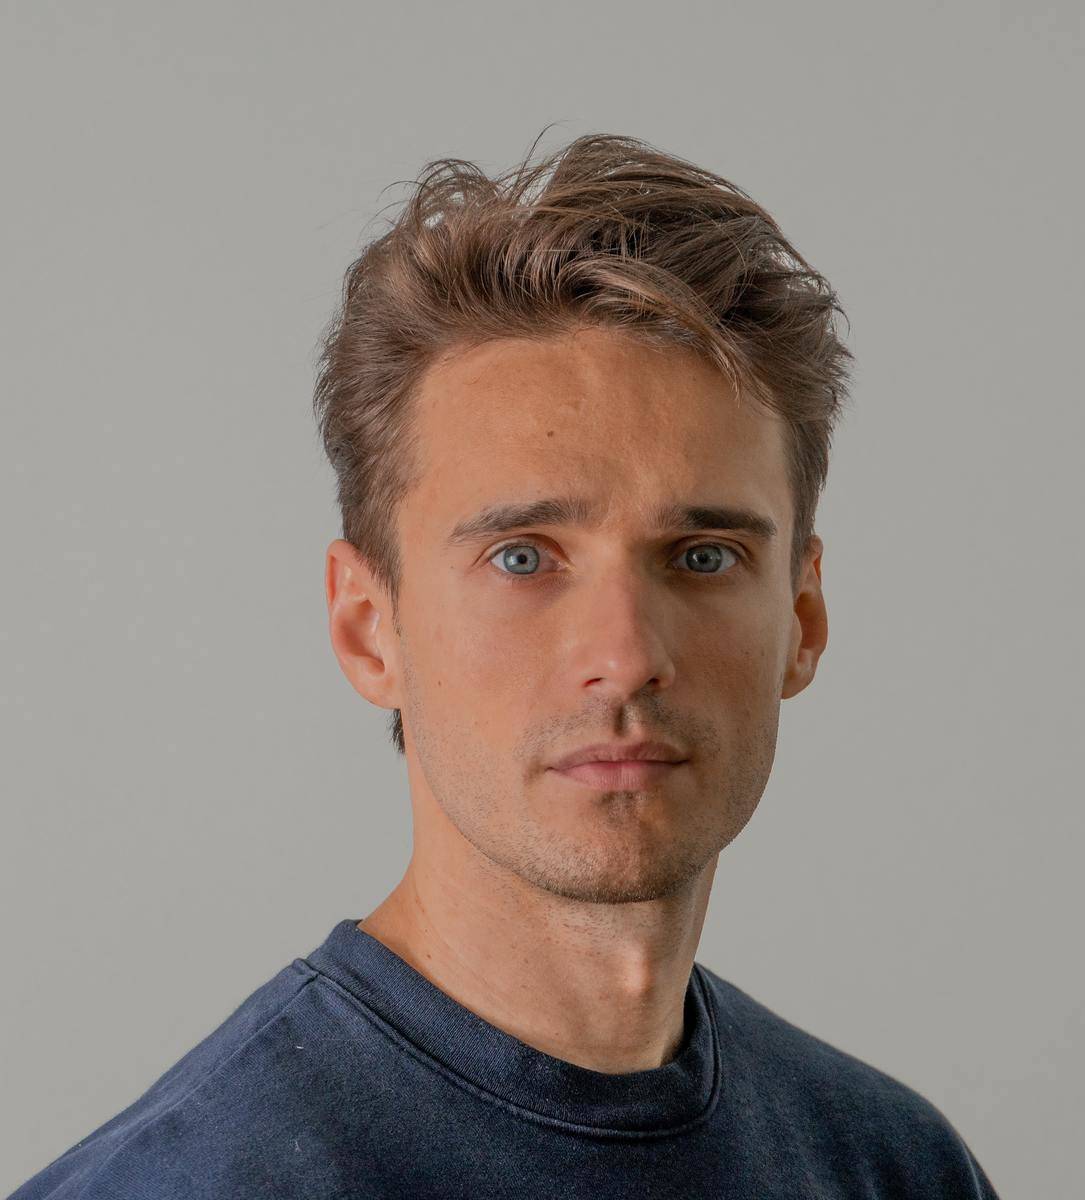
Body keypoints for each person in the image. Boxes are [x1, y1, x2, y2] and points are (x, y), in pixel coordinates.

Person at [10, 130, 1000, 1198]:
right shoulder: (195, 1183)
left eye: (704, 556)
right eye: (522, 557)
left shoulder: (891, 1168)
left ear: (801, 616)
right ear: (366, 627)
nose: (624, 658)